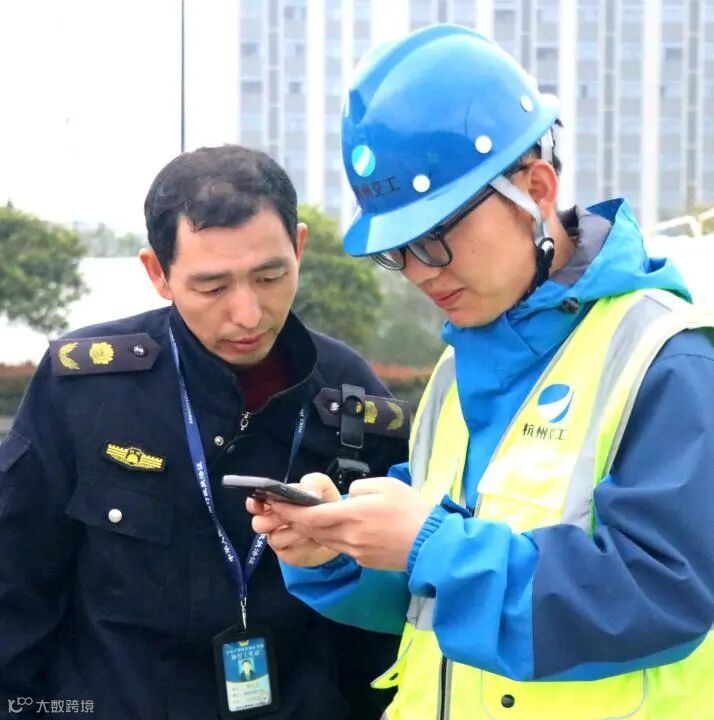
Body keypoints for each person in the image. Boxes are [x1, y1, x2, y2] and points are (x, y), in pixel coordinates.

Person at [249, 25, 714, 720]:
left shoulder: (667, 360)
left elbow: (661, 597)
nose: (419, 273)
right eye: (399, 251)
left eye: (436, 237)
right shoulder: (453, 373)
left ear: (536, 189)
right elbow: (429, 595)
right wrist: (336, 549)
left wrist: (430, 542)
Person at [0, 145, 407, 720]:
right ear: (157, 273)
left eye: (270, 276)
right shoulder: (85, 390)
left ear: (299, 248)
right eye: (213, 287)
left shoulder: (355, 404)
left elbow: (386, 631)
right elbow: (15, 591)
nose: (248, 314)